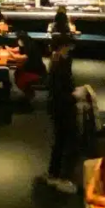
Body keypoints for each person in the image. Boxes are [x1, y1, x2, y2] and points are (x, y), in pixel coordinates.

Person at [43, 34, 77, 193]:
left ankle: (54, 174)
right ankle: (60, 177)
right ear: (63, 46)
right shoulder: (59, 63)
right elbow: (59, 91)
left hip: (57, 107)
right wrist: (75, 95)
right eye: (68, 46)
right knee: (64, 143)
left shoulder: (56, 60)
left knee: (60, 142)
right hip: (62, 108)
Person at [13, 30, 47, 100]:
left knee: (20, 75)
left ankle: (29, 95)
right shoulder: (28, 43)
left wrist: (10, 53)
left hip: (37, 72)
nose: (18, 41)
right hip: (31, 69)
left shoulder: (31, 46)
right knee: (17, 72)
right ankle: (28, 94)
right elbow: (17, 49)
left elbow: (19, 57)